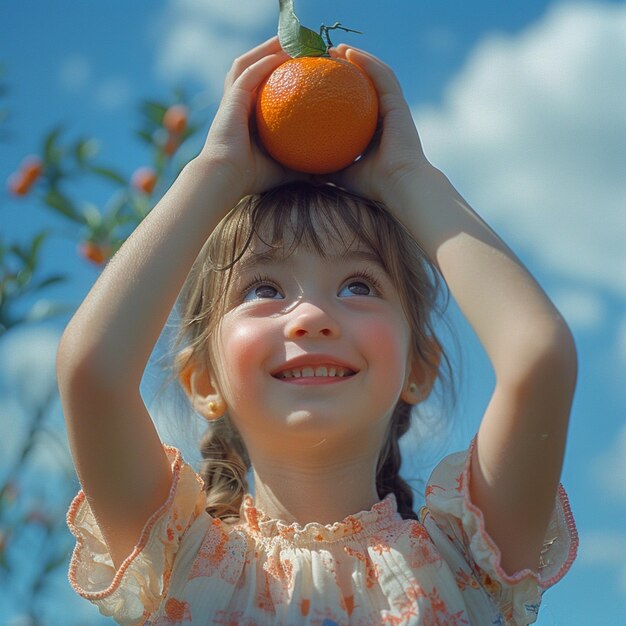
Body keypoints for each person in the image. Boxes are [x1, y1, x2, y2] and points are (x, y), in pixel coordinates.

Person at [57, 37, 578, 625]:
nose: (312, 316)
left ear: (419, 367)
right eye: (264, 290)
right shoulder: (180, 561)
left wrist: (408, 175)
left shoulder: (465, 560)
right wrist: (216, 171)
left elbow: (538, 355)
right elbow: (92, 372)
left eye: (359, 285)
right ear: (203, 379)